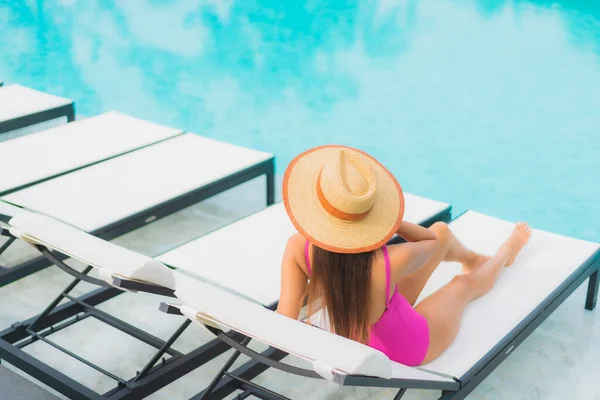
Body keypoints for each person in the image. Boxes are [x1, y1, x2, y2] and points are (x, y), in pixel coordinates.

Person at [277, 145, 532, 366]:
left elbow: (284, 323)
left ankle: (472, 259)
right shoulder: (391, 260)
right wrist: (390, 222)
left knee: (442, 231)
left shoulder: (297, 247)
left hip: (355, 323)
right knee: (462, 284)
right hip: (405, 349)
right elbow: (430, 242)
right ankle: (504, 255)